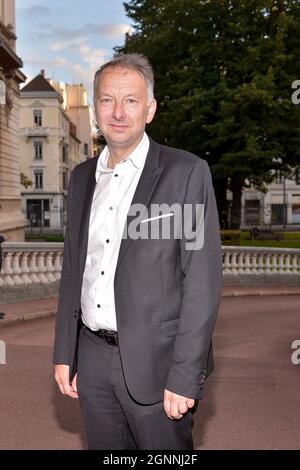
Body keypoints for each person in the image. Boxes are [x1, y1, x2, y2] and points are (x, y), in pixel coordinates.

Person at [53, 53, 223, 450]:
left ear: (150, 109)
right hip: (92, 359)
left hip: (160, 364)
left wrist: (184, 376)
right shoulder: (81, 179)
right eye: (107, 100)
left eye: (131, 100)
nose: (118, 112)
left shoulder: (186, 174)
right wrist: (66, 351)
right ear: (95, 109)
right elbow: (74, 268)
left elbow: (201, 283)